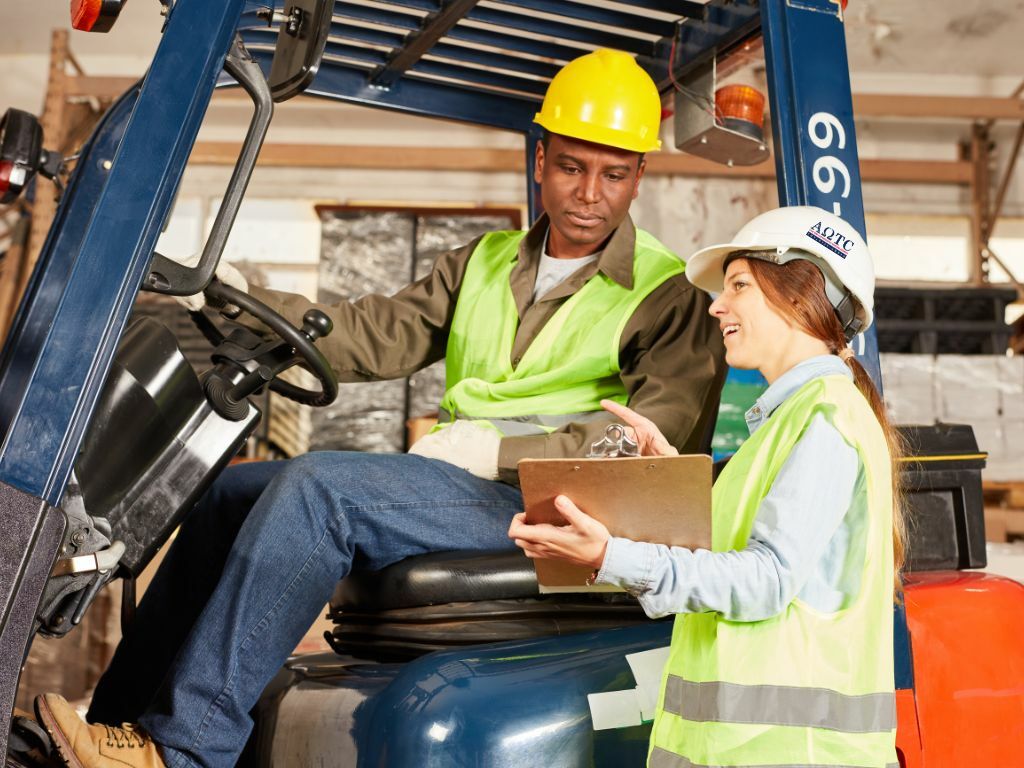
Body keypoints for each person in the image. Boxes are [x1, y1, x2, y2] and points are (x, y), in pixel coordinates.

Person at [35, 49, 726, 768]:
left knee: (322, 490)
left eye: (614, 175)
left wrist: (497, 451)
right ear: (542, 160)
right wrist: (229, 296)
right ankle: (116, 725)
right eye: (573, 168)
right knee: (230, 492)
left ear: (639, 177)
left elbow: (654, 445)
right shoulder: (481, 262)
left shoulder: (669, 295)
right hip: (459, 487)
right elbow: (371, 333)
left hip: (554, 509)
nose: (590, 194)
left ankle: (183, 749)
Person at [510, 206, 905, 768]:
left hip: (790, 753)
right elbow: (734, 558)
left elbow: (766, 579)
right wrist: (668, 477)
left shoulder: (825, 417)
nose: (716, 305)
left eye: (738, 285)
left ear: (802, 293)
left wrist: (610, 556)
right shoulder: (788, 425)